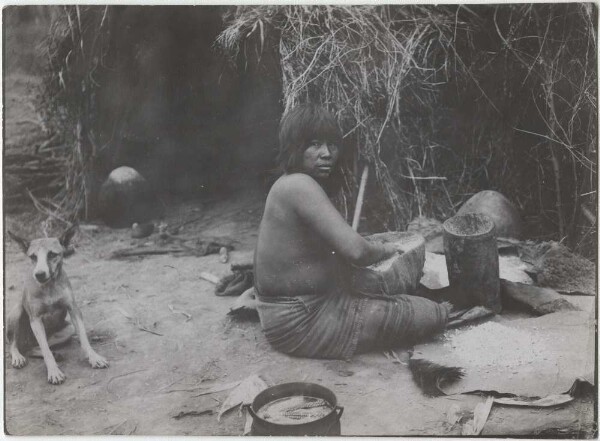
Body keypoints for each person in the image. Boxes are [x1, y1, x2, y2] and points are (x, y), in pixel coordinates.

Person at [253, 104, 448, 359]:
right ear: (295, 148)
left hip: (304, 305)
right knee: (431, 313)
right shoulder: (298, 186)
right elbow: (356, 250)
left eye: (331, 145)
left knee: (399, 298)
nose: (326, 154)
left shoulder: (293, 184)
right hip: (300, 320)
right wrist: (387, 249)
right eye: (314, 144)